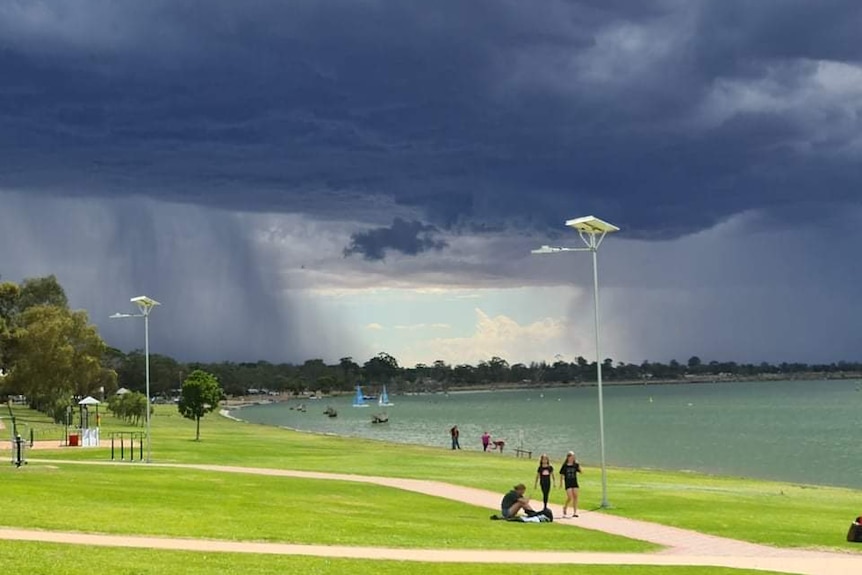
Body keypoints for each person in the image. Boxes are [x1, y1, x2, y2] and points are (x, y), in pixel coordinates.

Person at [559, 451, 582, 518]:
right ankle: (565, 507)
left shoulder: (575, 465)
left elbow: (581, 472)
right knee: (570, 497)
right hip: (568, 483)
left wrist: (579, 465)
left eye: (573, 457)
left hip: (574, 482)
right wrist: (561, 483)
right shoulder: (565, 466)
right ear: (568, 457)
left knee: (576, 496)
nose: (572, 458)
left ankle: (575, 512)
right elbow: (562, 475)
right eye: (571, 457)